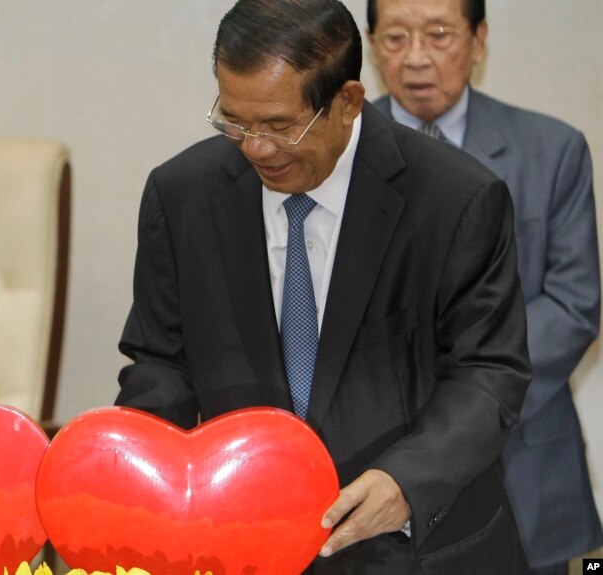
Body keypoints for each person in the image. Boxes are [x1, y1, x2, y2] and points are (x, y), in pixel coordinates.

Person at [115, 0, 533, 572]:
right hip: (243, 546)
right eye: (235, 121)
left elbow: (488, 373)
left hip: (416, 549)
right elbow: (163, 363)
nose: (256, 147)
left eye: (281, 126)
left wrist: (405, 480)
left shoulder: (456, 199)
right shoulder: (181, 193)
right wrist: (130, 472)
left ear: (347, 102)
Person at [365, 1, 603, 572]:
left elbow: (574, 304)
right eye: (396, 37)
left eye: (439, 34)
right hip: (379, 466)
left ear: (479, 40)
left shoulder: (553, 149)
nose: (416, 57)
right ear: (372, 45)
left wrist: (468, 401)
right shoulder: (337, 154)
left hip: (524, 460)